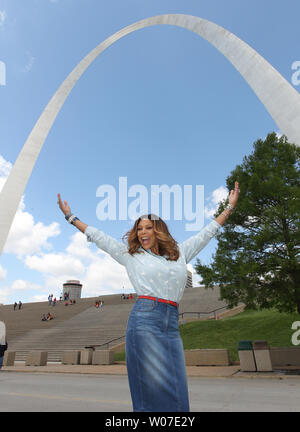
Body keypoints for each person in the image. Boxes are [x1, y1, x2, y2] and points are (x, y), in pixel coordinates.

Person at [57, 182, 239, 412]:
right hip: (145, 320)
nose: (142, 232)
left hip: (171, 323)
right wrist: (71, 217)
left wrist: (229, 207)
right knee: (151, 392)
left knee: (177, 389)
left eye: (148, 228)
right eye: (139, 228)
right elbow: (100, 237)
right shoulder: (131, 256)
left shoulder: (180, 253)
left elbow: (207, 233)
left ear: (158, 230)